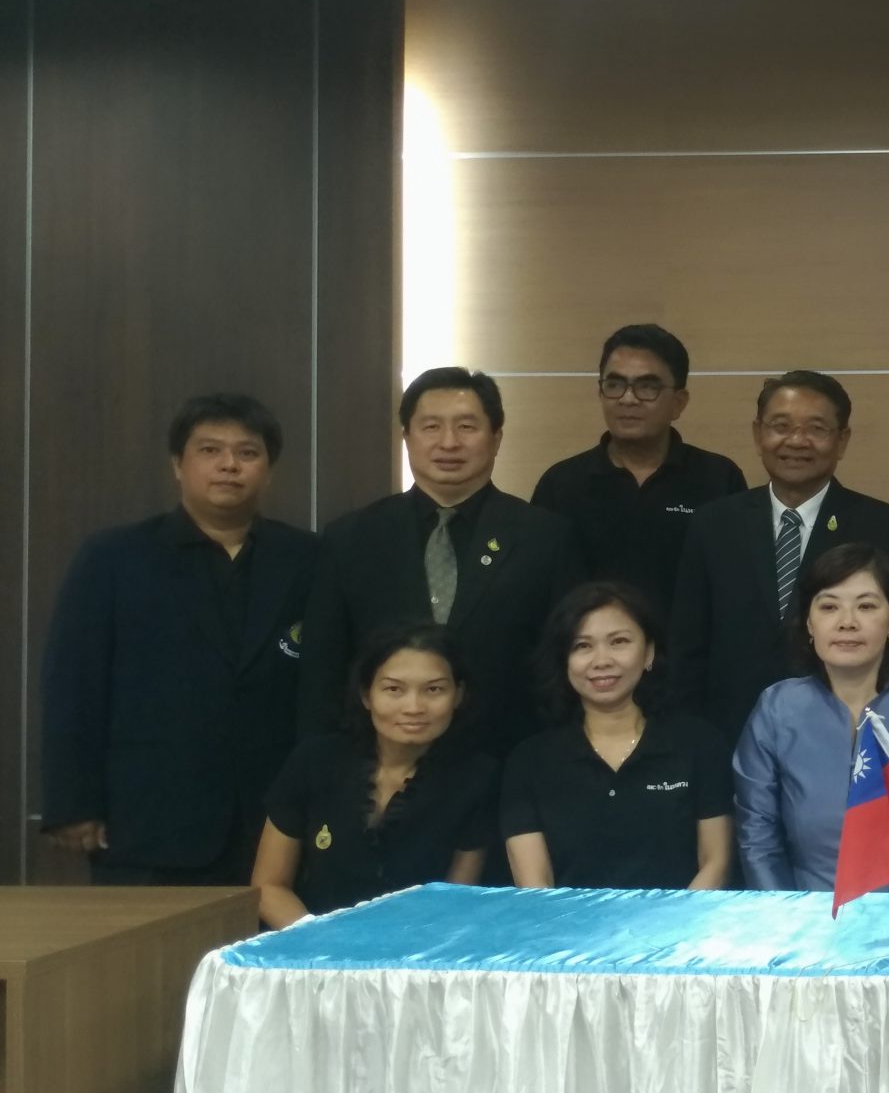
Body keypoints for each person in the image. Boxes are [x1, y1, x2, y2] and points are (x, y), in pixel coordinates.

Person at [39, 394, 318, 885]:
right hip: (147, 820)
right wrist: (73, 803)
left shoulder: (307, 559)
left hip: (274, 822)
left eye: (247, 453)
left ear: (269, 470)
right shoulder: (114, 558)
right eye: (210, 450)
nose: (229, 465)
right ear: (177, 465)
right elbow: (73, 685)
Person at [296, 368, 583, 760]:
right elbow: (322, 672)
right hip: (378, 764)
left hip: (508, 761)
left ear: (496, 438)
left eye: (467, 427)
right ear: (407, 437)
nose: (449, 442)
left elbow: (564, 662)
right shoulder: (351, 537)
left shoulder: (546, 537)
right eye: (431, 427)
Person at [667, 369, 889, 744]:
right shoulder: (714, 524)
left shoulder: (888, 529)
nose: (797, 441)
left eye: (817, 428)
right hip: (728, 735)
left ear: (842, 441)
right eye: (781, 426)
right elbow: (687, 647)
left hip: (849, 739)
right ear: (758, 434)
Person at [734, 543, 889, 892]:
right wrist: (790, 916)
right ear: (809, 622)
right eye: (829, 607)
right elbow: (757, 838)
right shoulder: (776, 708)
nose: (847, 622)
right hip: (797, 913)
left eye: (866, 606)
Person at [251, 624, 497, 926]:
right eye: (394, 689)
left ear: (458, 695)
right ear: (366, 694)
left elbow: (455, 902)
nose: (413, 707)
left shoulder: (477, 778)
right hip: (309, 942)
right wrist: (323, 942)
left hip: (417, 947)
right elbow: (269, 886)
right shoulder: (315, 760)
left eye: (434, 689)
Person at [501, 582, 733, 890]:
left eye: (619, 641)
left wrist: (675, 922)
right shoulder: (529, 761)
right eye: (582, 646)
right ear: (563, 659)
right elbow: (534, 884)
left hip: (682, 919)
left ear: (649, 652)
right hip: (567, 922)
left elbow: (716, 863)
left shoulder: (699, 744)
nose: (602, 660)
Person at [530, 324, 747, 618]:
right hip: (589, 646)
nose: (628, 399)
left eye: (647, 387)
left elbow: (734, 588)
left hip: (688, 647)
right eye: (614, 384)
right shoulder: (561, 484)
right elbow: (540, 593)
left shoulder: (718, 479)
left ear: (679, 402)